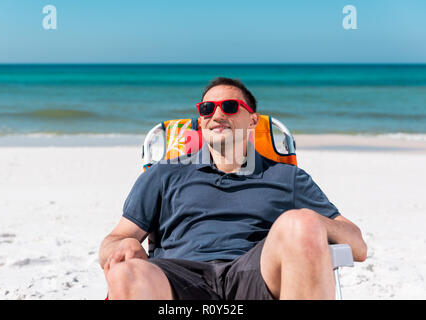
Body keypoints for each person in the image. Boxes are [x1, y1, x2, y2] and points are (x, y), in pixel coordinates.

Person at [99, 77, 367, 300]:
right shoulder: (164, 174)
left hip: (255, 277)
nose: (217, 115)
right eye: (207, 109)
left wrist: (306, 224)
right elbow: (114, 239)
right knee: (125, 273)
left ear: (252, 121)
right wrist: (124, 244)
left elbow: (358, 246)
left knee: (301, 221)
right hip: (178, 279)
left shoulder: (287, 177)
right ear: (201, 120)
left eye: (229, 106)